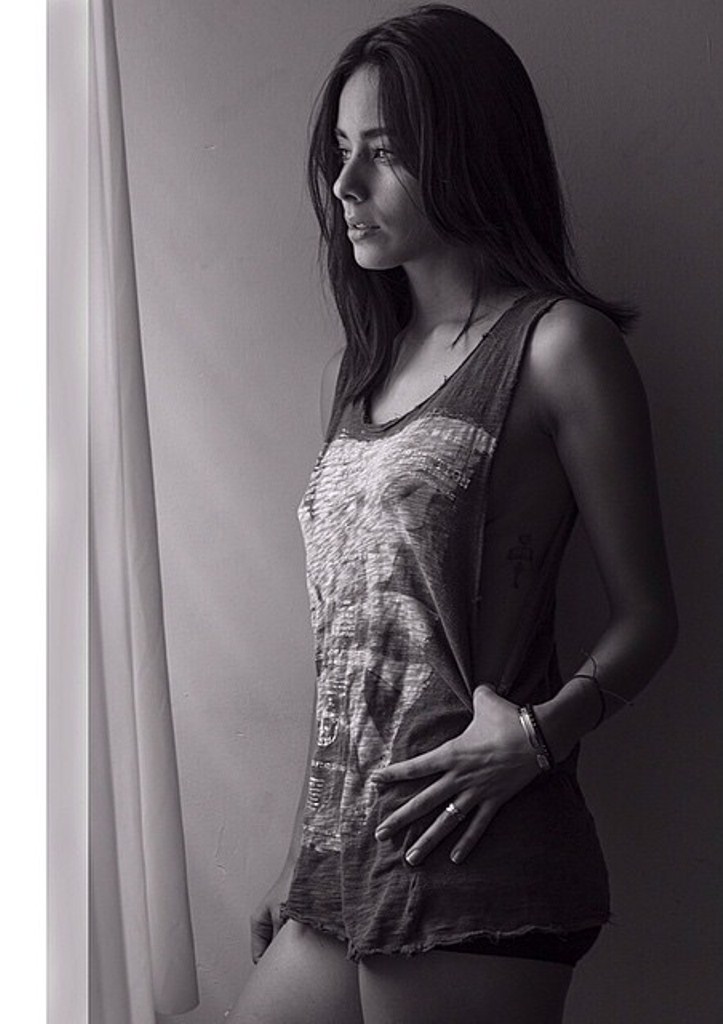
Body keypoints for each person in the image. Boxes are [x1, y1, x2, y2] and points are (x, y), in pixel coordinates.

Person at [231, 5, 677, 1022]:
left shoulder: (558, 347)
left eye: (383, 152)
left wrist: (537, 737)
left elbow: (651, 617)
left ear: (467, 153)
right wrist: (300, 851)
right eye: (340, 151)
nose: (345, 184)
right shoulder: (360, 374)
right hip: (345, 861)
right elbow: (349, 646)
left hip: (478, 857)